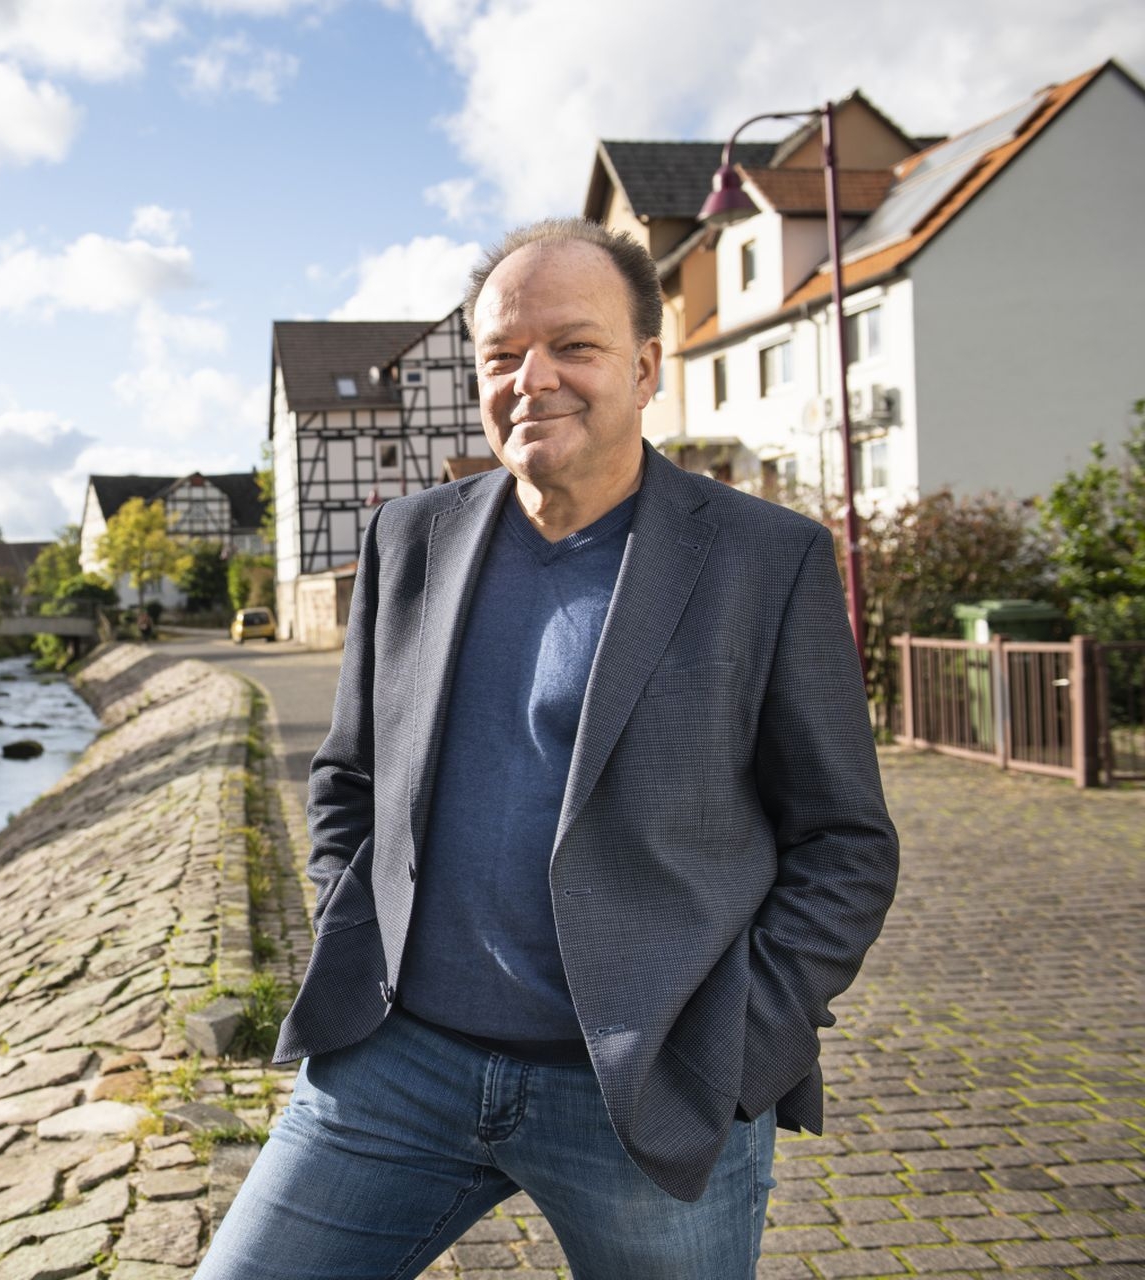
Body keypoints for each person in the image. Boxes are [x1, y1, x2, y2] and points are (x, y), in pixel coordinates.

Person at [195, 219, 898, 1279]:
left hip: (645, 1092)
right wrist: (354, 913)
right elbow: (350, 776)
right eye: (502, 354)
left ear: (647, 367)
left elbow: (845, 842)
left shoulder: (766, 558)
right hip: (397, 1067)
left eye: (575, 345)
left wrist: (742, 1042)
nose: (533, 379)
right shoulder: (408, 538)